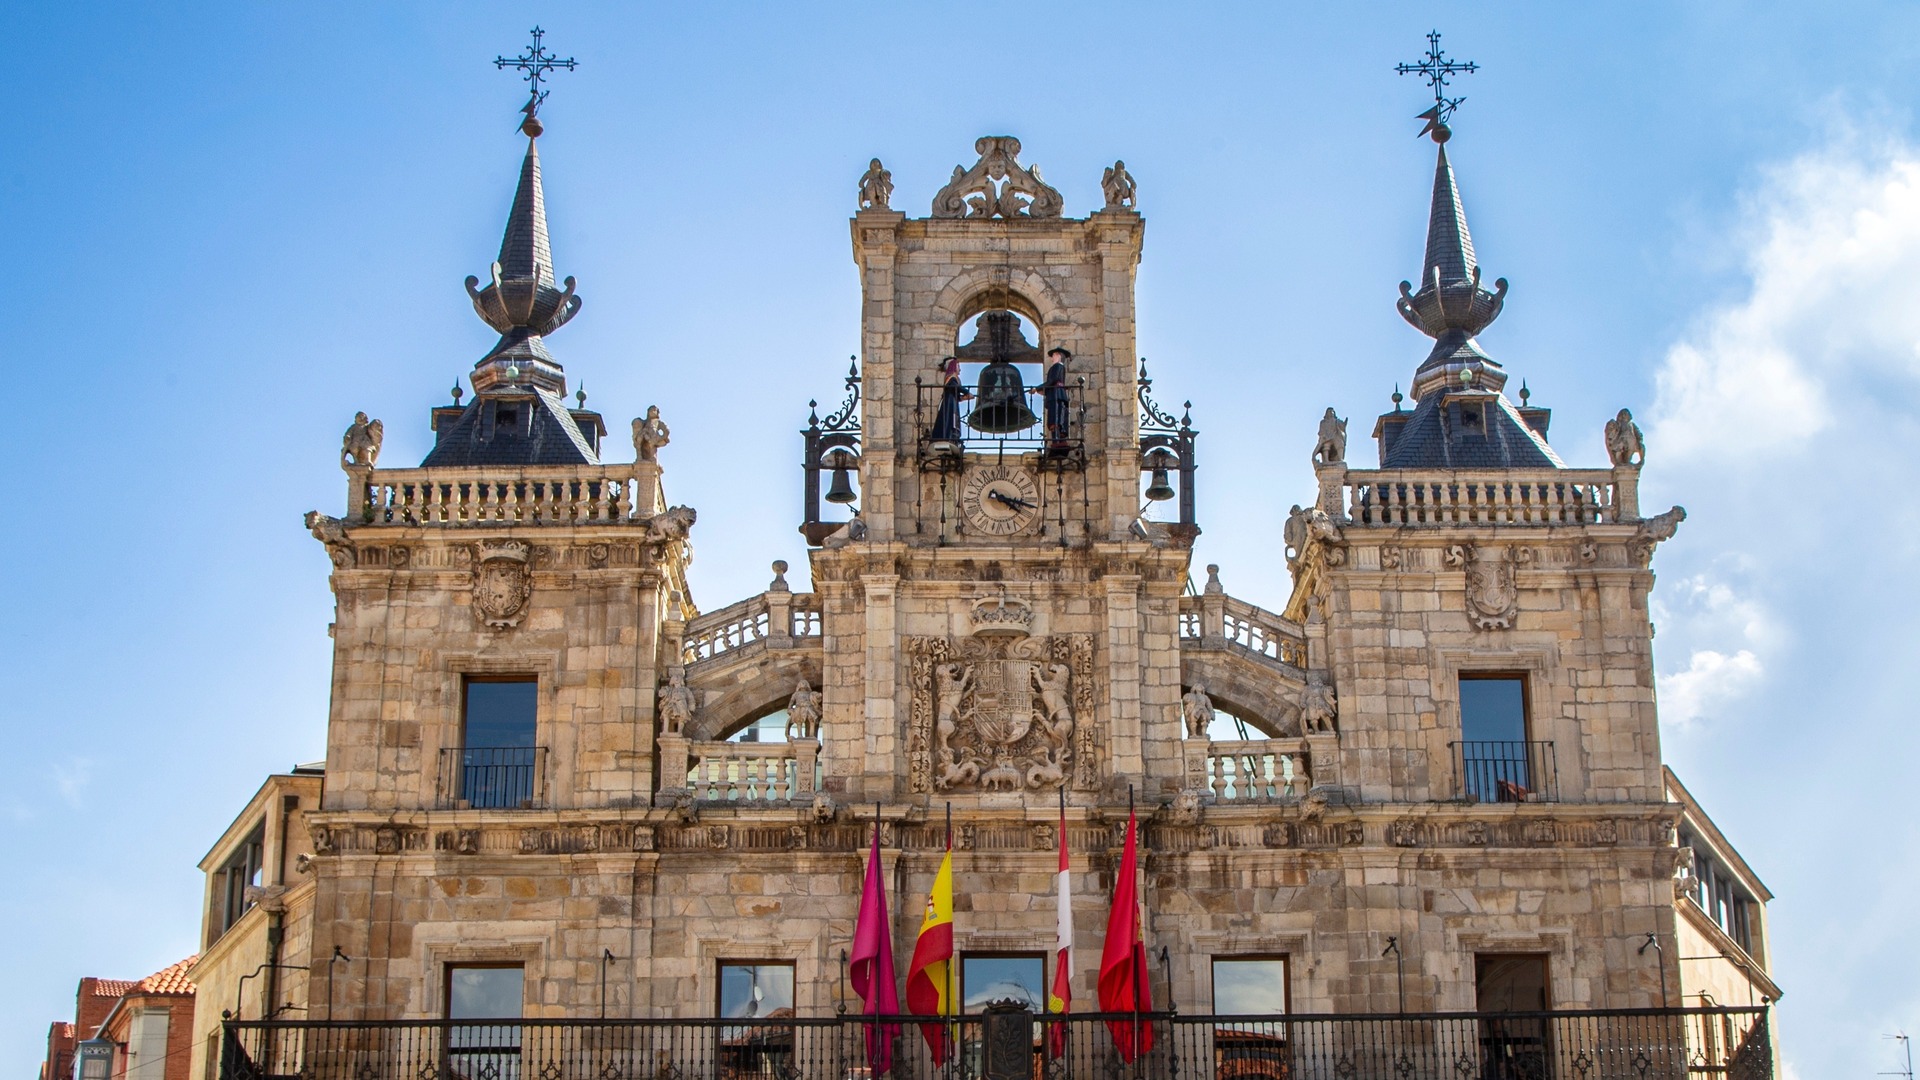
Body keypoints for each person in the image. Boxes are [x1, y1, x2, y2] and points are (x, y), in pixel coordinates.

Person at [929, 356, 967, 453]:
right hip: (949, 404)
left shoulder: (954, 379)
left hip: (952, 403)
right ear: (954, 367)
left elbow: (955, 393)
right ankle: (948, 438)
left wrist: (963, 397)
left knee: (951, 422)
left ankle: (952, 438)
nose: (960, 370)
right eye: (959, 367)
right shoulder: (951, 378)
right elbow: (954, 387)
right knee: (949, 421)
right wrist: (966, 392)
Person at [1043, 346, 1072, 451]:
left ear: (1059, 356)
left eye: (1054, 355)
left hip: (1056, 395)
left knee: (1055, 418)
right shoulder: (1058, 367)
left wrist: (1038, 388)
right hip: (1057, 394)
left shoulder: (1057, 367)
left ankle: (1057, 441)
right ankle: (1059, 440)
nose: (1052, 359)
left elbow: (1053, 380)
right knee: (1057, 418)